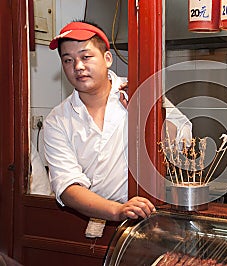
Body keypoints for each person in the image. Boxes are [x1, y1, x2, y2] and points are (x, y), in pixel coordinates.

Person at [43, 20, 158, 222]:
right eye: (68, 60)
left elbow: (180, 141)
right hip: (89, 219)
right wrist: (116, 210)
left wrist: (150, 109)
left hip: (149, 217)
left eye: (86, 57)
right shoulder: (58, 120)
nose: (78, 66)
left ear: (107, 58)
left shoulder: (138, 91)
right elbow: (68, 186)